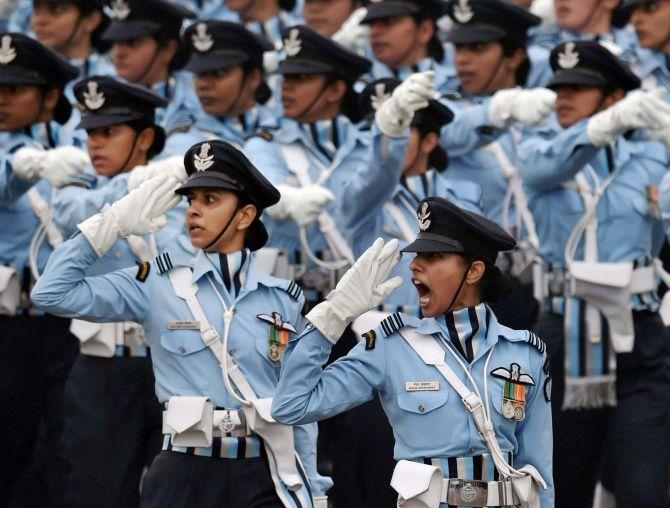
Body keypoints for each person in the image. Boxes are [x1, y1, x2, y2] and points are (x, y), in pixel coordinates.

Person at [31, 140, 331, 508]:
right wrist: (110, 224)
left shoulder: (283, 298)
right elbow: (50, 293)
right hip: (184, 474)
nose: (193, 212)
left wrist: (313, 490)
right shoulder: (156, 283)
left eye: (210, 200)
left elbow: (299, 406)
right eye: (190, 200)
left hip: (263, 474)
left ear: (245, 215)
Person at [271, 198, 554, 508]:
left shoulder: (525, 353)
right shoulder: (391, 345)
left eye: (433, 256)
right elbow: (291, 406)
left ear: (474, 271)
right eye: (418, 254)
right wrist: (333, 315)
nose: (415, 265)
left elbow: (539, 474)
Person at [519, 40, 670, 507]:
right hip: (563, 337)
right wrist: (599, 128)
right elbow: (541, 170)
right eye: (560, 86)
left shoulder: (649, 156)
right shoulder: (542, 149)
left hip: (638, 336)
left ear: (614, 98)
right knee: (563, 487)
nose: (563, 97)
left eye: (580, 89)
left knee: (643, 491)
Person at [50, 75, 192, 507]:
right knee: (97, 491)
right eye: (91, 133)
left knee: (176, 491)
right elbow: (70, 215)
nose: (95, 144)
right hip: (104, 367)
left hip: (172, 362)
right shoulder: (78, 190)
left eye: (109, 132)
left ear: (146, 137)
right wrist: (135, 187)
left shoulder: (183, 197)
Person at [0, 32, 87, 507]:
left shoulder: (79, 145)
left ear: (51, 97)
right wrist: (24, 168)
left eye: (16, 90)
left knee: (67, 449)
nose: (2, 100)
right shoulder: (15, 154)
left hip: (69, 321)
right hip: (9, 323)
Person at [101, 0, 200, 156]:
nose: (119, 53)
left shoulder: (198, 96)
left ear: (168, 49)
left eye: (132, 42)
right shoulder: (103, 94)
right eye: (117, 42)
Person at [173, 20, 277, 152]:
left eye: (218, 73)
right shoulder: (183, 145)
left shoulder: (283, 130)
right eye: (199, 74)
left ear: (254, 78)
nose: (203, 85)